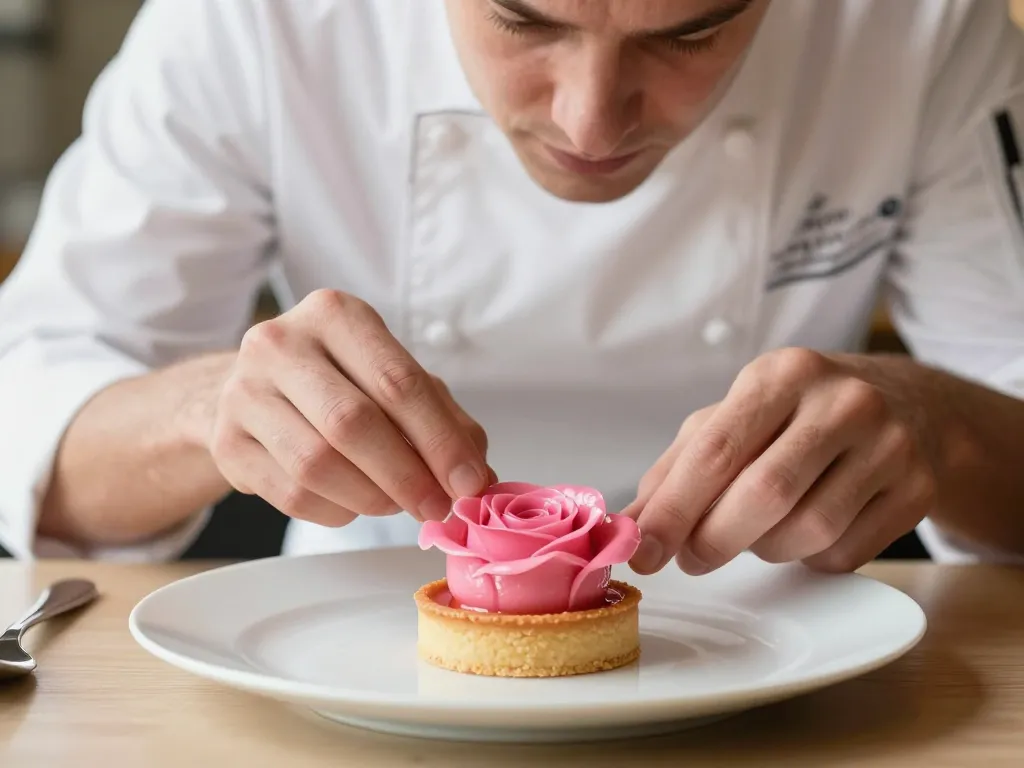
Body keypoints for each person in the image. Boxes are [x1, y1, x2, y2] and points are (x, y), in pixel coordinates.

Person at [1, 0, 1023, 575]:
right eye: (523, 20)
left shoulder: (924, 25)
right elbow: (26, 411)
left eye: (689, 34)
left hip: (785, 645)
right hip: (358, 631)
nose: (591, 124)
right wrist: (210, 410)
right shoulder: (248, 22)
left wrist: (939, 425)